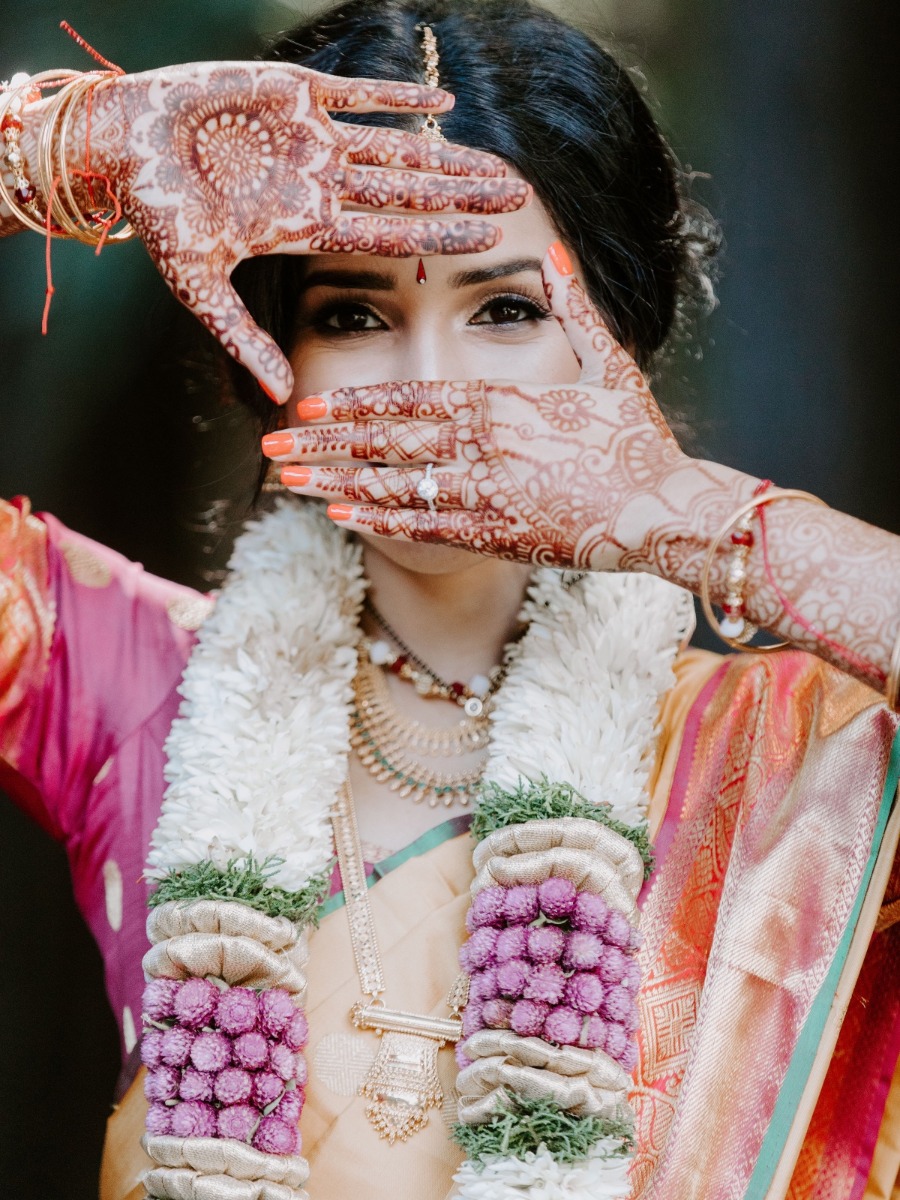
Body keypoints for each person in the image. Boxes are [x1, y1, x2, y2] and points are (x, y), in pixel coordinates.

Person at [1, 2, 899, 1198]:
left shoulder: (796, 759)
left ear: (620, 346)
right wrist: (57, 153)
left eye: (509, 310)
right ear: (263, 358)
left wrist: (693, 514)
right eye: (354, 314)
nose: (431, 384)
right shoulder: (131, 689)